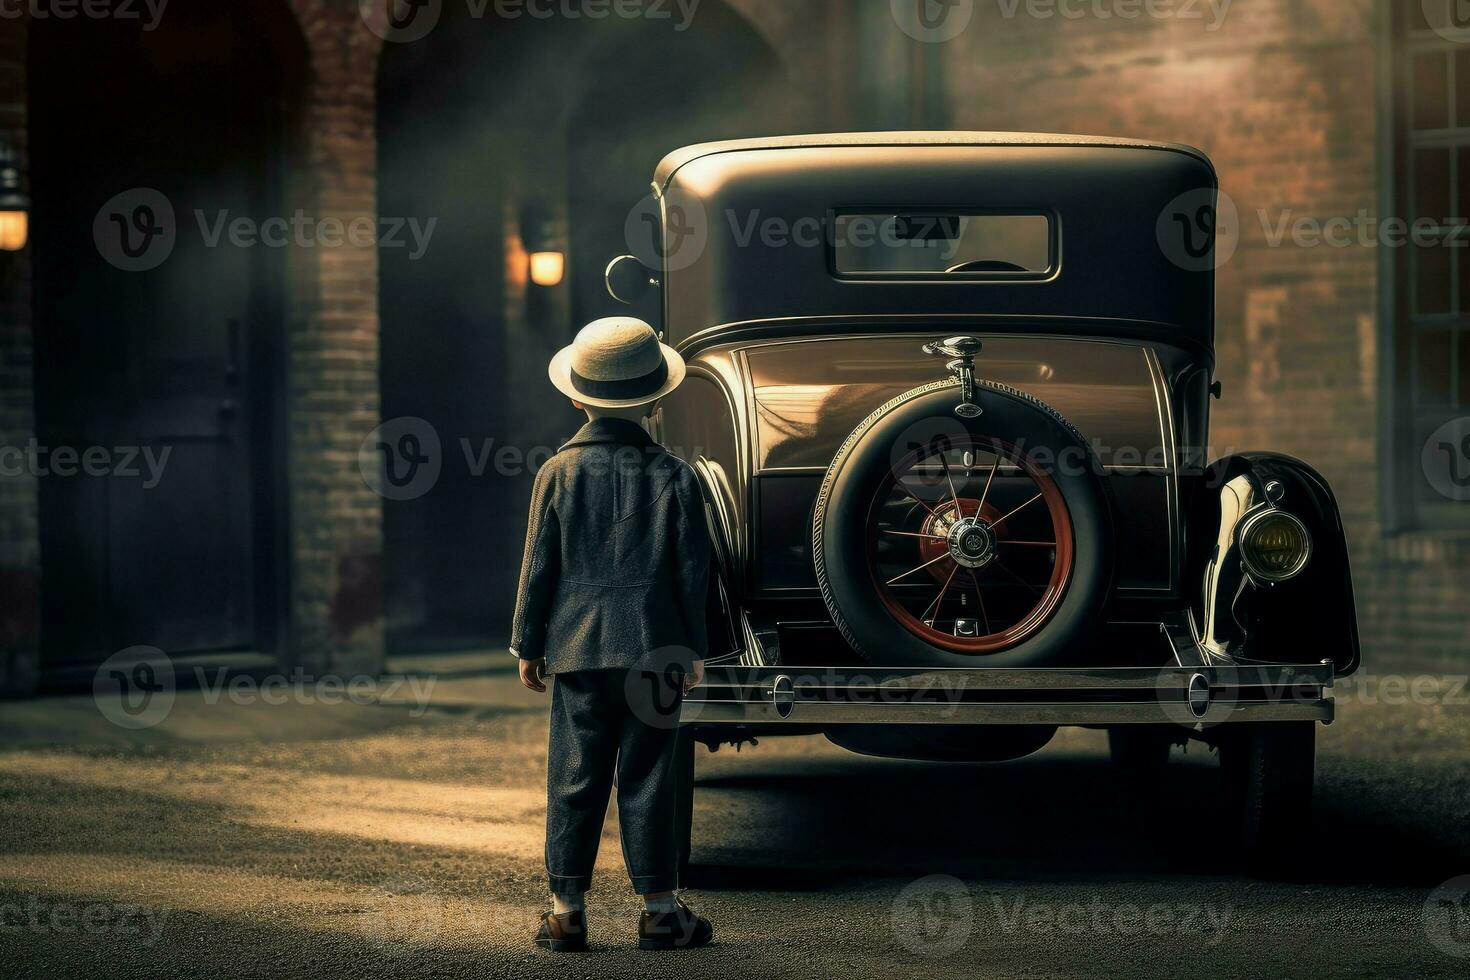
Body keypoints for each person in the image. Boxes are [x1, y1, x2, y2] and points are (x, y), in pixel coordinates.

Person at [510, 316, 714, 953]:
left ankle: (566, 911)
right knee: (651, 775)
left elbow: (538, 565)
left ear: (576, 396)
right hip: (656, 649)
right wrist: (696, 649)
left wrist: (529, 644)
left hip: (576, 647)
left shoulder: (557, 473)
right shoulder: (678, 476)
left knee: (574, 775)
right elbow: (693, 573)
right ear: (656, 399)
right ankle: (659, 910)